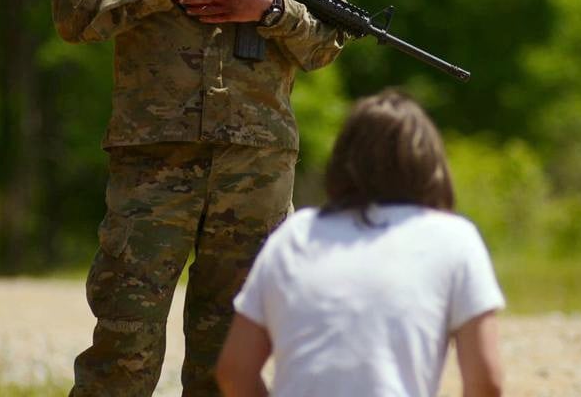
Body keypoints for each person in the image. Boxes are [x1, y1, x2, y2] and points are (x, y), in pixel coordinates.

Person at [49, 0, 350, 396]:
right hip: (154, 160)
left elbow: (330, 42)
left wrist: (268, 7)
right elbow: (69, 13)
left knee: (231, 362)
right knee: (123, 349)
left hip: (256, 170)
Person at [215, 90, 506, 397]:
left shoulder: (296, 234)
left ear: (343, 161)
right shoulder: (454, 238)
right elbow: (486, 382)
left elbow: (234, 371)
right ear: (431, 166)